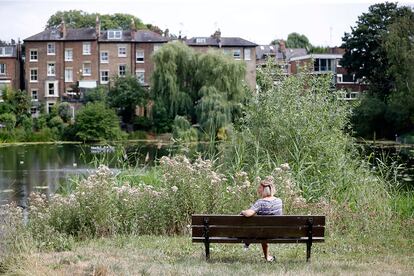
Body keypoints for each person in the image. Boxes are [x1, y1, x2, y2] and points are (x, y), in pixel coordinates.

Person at [240, 176, 283, 262]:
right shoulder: (279, 201)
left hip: (262, 232)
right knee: (263, 227)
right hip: (276, 232)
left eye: (260, 188)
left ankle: (247, 243)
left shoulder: (261, 202)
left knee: (258, 227)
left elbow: (248, 214)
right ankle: (267, 256)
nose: (258, 189)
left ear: (264, 190)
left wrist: (243, 211)